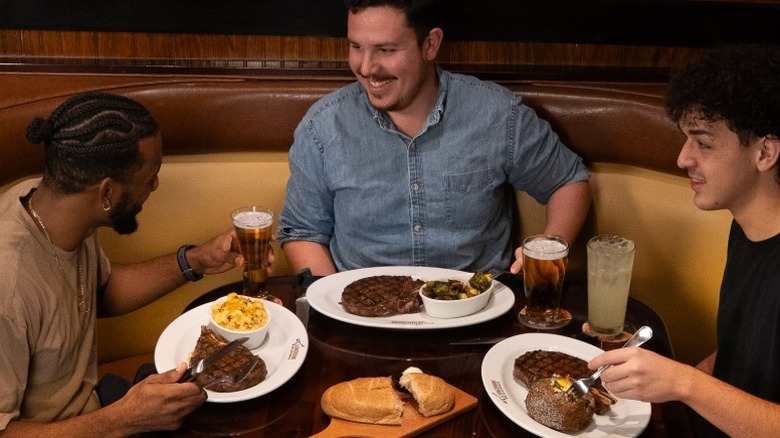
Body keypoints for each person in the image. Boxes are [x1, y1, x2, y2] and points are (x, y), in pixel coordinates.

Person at [0, 92, 267, 436]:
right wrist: (123, 419)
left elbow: (103, 291)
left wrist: (197, 260)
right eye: (150, 176)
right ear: (107, 193)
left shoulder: (55, 203)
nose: (155, 186)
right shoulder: (9, 285)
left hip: (95, 406)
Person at [277, 0, 591, 276]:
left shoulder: (496, 114)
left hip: (479, 314)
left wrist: (550, 247)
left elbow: (568, 180)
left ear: (430, 44)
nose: (366, 67)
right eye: (356, 47)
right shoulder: (323, 125)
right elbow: (303, 232)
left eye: (385, 50)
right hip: (360, 317)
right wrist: (333, 305)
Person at [587, 44, 780, 437]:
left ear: (765, 151)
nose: (682, 159)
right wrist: (664, 392)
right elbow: (739, 359)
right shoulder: (746, 228)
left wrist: (681, 383)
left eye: (703, 143)